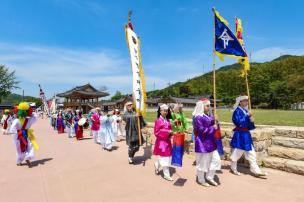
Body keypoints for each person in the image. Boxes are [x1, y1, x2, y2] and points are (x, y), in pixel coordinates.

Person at [230, 95, 267, 177]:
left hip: (246, 135)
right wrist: (247, 116)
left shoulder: (245, 111)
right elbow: (239, 123)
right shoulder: (237, 111)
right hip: (240, 135)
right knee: (237, 152)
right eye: (245, 101)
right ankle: (233, 168)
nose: (246, 102)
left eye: (247, 101)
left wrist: (251, 120)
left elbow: (249, 125)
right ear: (240, 102)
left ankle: (256, 170)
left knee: (251, 153)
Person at [193, 98, 221, 187]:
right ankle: (201, 179)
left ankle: (210, 176)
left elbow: (215, 126)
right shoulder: (198, 117)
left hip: (211, 142)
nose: (209, 107)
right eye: (207, 106)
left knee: (216, 160)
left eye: (209, 106)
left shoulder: (208, 116)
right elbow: (201, 130)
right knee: (203, 162)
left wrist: (216, 120)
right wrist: (213, 127)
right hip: (203, 143)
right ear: (202, 106)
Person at [10, 102, 39, 167]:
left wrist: (15, 135)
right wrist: (32, 113)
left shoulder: (16, 120)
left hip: (18, 136)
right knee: (29, 147)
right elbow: (35, 117)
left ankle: (19, 161)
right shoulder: (29, 120)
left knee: (19, 149)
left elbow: (12, 129)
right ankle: (27, 158)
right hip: (27, 135)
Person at [153, 104, 174, 181]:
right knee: (165, 158)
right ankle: (166, 175)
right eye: (164, 111)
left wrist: (171, 133)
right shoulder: (158, 120)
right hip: (161, 142)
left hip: (167, 141)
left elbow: (170, 129)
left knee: (167, 157)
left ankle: (157, 164)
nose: (165, 112)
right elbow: (156, 132)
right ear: (160, 111)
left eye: (166, 111)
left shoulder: (168, 120)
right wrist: (167, 132)